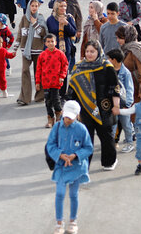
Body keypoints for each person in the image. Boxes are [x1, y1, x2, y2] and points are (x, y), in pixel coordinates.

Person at [67, 41, 120, 170]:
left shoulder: (106, 66)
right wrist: (73, 111)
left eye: (92, 52)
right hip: (85, 109)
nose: (89, 54)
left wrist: (116, 105)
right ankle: (84, 165)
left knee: (106, 136)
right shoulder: (78, 67)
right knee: (86, 138)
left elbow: (114, 87)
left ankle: (109, 162)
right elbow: (72, 91)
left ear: (99, 52)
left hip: (104, 107)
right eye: (87, 51)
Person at [46, 100, 93, 234]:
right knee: (60, 193)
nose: (67, 120)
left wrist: (75, 155)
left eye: (70, 118)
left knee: (73, 194)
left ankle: (73, 221)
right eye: (65, 116)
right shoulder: (57, 127)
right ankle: (59, 222)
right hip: (61, 165)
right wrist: (60, 155)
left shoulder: (81, 129)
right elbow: (50, 144)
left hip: (76, 166)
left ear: (77, 116)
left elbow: (88, 148)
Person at [14, 0, 47, 105]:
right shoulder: (24, 18)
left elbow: (43, 33)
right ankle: (24, 98)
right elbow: (20, 33)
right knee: (25, 71)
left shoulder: (40, 18)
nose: (34, 8)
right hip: (26, 50)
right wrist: (15, 47)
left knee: (39, 73)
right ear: (29, 6)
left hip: (38, 50)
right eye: (32, 6)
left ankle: (40, 96)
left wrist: (35, 24)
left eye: (36, 6)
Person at [36, 34, 68, 128]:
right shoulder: (42, 55)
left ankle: (59, 116)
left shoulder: (60, 54)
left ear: (56, 42)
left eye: (52, 41)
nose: (50, 43)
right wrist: (38, 82)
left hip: (56, 82)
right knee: (48, 101)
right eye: (48, 42)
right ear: (45, 43)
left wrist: (62, 76)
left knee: (56, 99)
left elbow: (65, 65)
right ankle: (50, 118)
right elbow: (38, 69)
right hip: (46, 82)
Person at [47, 0, 77, 96]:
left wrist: (66, 24)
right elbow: (49, 34)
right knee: (53, 72)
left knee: (63, 72)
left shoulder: (69, 18)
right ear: (56, 7)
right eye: (61, 6)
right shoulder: (51, 19)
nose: (63, 8)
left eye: (64, 6)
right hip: (53, 49)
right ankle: (54, 94)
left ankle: (63, 94)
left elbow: (73, 32)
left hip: (65, 49)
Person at [107, 49, 135, 153]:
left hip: (123, 105)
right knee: (113, 125)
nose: (108, 60)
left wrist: (127, 104)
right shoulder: (109, 70)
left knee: (126, 125)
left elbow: (130, 89)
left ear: (114, 60)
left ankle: (129, 143)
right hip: (113, 104)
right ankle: (111, 144)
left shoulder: (125, 73)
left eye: (109, 58)